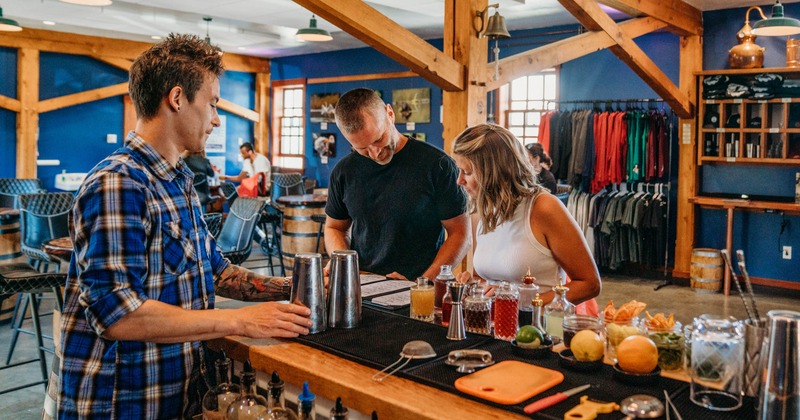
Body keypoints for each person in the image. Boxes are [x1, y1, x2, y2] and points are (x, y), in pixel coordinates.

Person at [58, 34, 312, 419]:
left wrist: (300, 284)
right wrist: (240, 320)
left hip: (176, 395)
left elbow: (217, 271)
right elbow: (117, 315)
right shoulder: (119, 183)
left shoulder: (178, 181)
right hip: (122, 403)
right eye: (212, 103)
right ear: (177, 98)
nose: (216, 119)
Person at [325, 88, 470, 280]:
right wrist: (342, 262)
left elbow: (460, 233)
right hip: (361, 283)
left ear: (390, 114)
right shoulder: (344, 171)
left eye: (379, 139)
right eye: (362, 148)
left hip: (419, 283)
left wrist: (423, 284)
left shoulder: (438, 165)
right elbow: (334, 227)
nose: (375, 153)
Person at [452, 123, 600, 311]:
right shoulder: (481, 212)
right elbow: (485, 278)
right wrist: (474, 286)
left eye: (467, 172)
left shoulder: (543, 208)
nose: (459, 180)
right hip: (494, 323)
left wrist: (520, 302)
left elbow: (589, 284)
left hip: (538, 325)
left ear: (493, 172)